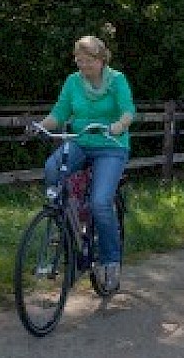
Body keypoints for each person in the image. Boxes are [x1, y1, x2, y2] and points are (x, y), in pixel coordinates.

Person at [34, 35, 136, 292]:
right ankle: (64, 224)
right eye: (79, 60)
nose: (83, 65)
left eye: (88, 60)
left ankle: (110, 261)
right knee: (51, 168)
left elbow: (128, 111)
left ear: (101, 60)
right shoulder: (72, 81)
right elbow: (59, 113)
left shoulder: (117, 80)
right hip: (80, 141)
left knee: (100, 202)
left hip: (111, 147)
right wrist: (39, 127)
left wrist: (118, 126)